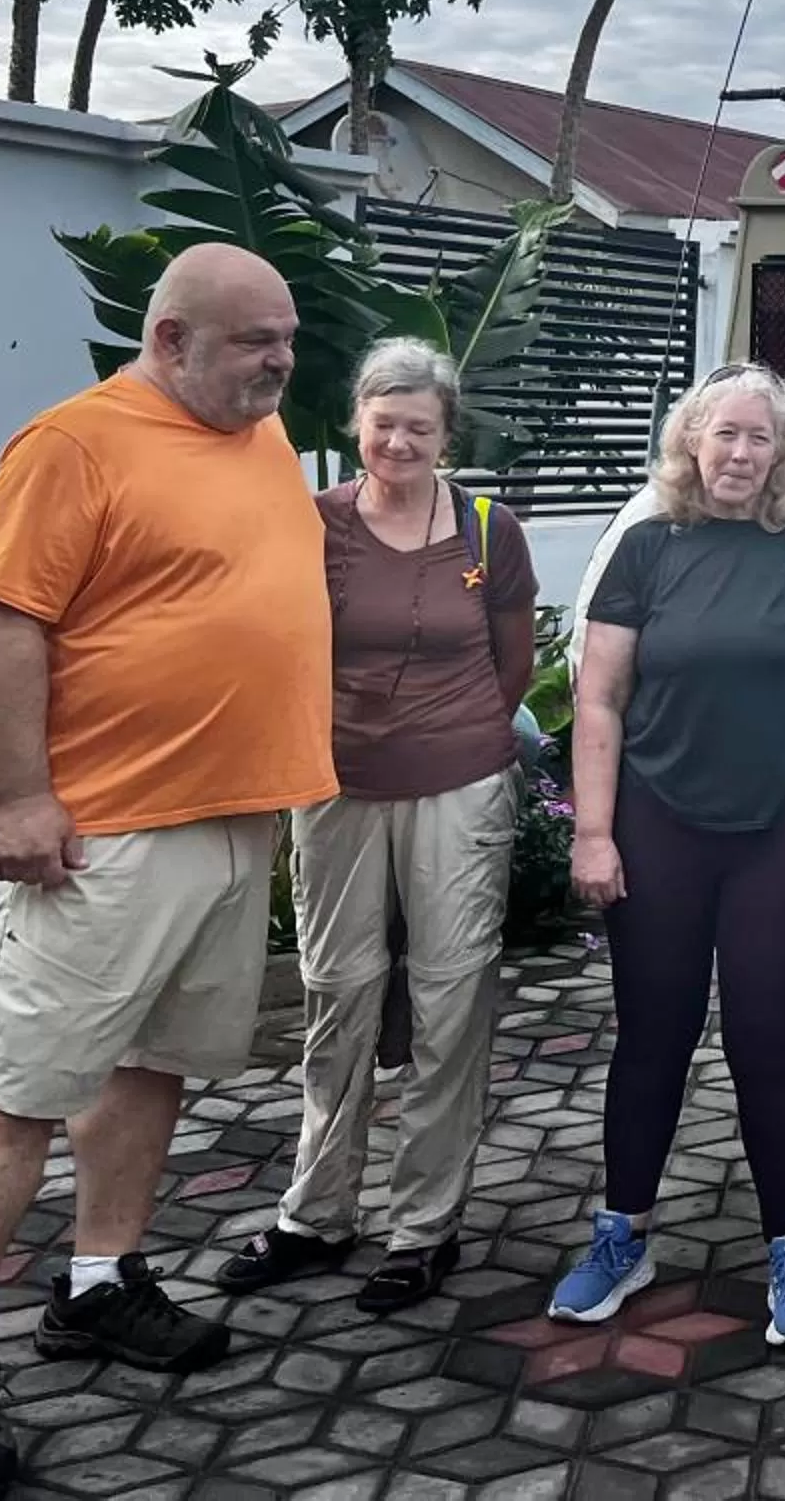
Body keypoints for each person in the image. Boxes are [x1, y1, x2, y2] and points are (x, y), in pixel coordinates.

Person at [0, 245, 337, 1501]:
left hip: (230, 821)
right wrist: (21, 793)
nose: (280, 363)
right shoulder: (75, 444)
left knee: (152, 1066)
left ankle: (101, 1283)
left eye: (289, 339)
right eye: (255, 342)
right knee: (13, 1089)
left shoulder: (254, 441)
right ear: (170, 340)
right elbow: (3, 619)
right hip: (101, 834)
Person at [551, 364, 785, 1344]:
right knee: (652, 1039)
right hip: (659, 824)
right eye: (725, 435)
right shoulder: (646, 550)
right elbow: (600, 698)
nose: (742, 453)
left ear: (782, 453)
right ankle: (623, 1235)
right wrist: (593, 831)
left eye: (760, 438)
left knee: (768, 1044)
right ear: (691, 444)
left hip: (781, 828)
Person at [215, 338, 537, 1313]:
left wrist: (455, 741)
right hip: (337, 787)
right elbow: (273, 647)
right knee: (338, 995)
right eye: (383, 422)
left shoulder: (489, 530)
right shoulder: (310, 525)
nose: (399, 441)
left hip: (458, 787)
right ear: (358, 421)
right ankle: (317, 1215)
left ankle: (422, 1228)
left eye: (420, 427)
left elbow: (510, 664)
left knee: (450, 1003)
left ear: (447, 434)